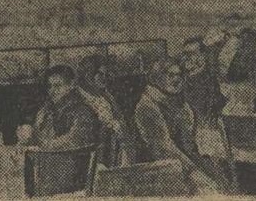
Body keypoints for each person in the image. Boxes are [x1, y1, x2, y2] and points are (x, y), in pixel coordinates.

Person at [134, 59, 227, 194]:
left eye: (179, 75)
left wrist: (210, 171)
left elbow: (189, 145)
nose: (176, 80)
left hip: (180, 162)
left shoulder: (179, 103)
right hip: (156, 168)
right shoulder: (147, 105)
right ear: (157, 77)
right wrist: (194, 171)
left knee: (220, 180)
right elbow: (163, 147)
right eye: (170, 75)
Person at [18, 65, 100, 150]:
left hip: (72, 159)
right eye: (50, 86)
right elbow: (36, 137)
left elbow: (74, 141)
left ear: (71, 86)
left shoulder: (82, 112)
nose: (52, 91)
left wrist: (41, 145)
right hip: (46, 157)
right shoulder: (45, 111)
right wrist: (27, 135)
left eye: (57, 86)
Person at [77, 54, 133, 164]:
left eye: (106, 74)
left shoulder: (106, 96)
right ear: (88, 74)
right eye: (100, 74)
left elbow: (120, 119)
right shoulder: (80, 98)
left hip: (115, 147)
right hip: (95, 152)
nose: (104, 78)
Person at [180, 37, 227, 128]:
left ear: (203, 56)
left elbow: (217, 105)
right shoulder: (179, 77)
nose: (186, 58)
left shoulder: (210, 79)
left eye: (192, 54)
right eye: (185, 54)